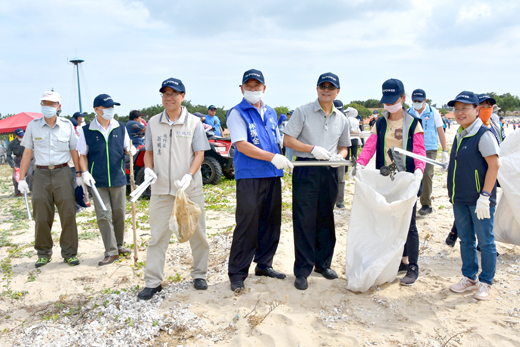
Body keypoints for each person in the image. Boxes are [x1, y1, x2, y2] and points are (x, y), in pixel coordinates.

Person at [137, 78, 211, 300]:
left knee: (197, 234)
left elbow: (200, 153)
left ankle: (200, 274)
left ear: (183, 96)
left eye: (174, 93)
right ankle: (153, 281)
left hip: (189, 189)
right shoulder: (152, 122)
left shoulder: (194, 123)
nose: (169, 97)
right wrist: (149, 169)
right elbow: (148, 150)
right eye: (165, 93)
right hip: (160, 190)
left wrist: (189, 175)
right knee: (157, 237)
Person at [226, 69, 293, 292]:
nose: (253, 89)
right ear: (242, 88)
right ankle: (237, 273)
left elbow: (276, 140)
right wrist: (272, 157)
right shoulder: (238, 112)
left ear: (264, 88)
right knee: (247, 223)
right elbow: (241, 144)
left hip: (272, 175)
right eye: (249, 86)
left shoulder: (272, 112)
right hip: (250, 176)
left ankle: (264, 264)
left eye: (257, 86)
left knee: (271, 222)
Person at [283, 72, 351, 290]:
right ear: (317, 88)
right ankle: (302, 269)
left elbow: (344, 146)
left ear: (337, 91)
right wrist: (312, 149)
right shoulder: (303, 111)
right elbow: (288, 139)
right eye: (323, 86)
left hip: (329, 171)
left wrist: (339, 157)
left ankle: (323, 264)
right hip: (307, 168)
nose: (327, 90)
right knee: (304, 219)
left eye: (331, 87)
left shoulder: (341, 118)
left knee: (325, 217)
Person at [356, 78, 426, 286]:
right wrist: (360, 163)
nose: (388, 105)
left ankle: (412, 265)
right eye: (385, 101)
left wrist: (420, 171)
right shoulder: (381, 122)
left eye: (393, 100)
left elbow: (420, 151)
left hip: (408, 178)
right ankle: (399, 260)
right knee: (389, 220)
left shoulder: (413, 122)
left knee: (409, 222)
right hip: (386, 179)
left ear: (403, 99)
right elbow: (371, 145)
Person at [446, 91, 499, 301]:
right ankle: (469, 277)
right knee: (465, 240)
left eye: (464, 108)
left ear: (477, 110)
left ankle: (486, 282)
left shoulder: (483, 134)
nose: (459, 113)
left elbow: (494, 165)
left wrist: (485, 196)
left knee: (485, 242)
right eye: (456, 109)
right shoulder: (460, 133)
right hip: (460, 198)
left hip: (480, 200)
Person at [18, 91, 80, 268]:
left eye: (51, 104)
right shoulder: (33, 126)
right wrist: (21, 178)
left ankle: (69, 253)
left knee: (68, 214)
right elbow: (27, 152)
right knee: (41, 214)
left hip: (62, 172)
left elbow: (73, 151)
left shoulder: (67, 125)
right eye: (44, 103)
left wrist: (79, 174)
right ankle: (43, 252)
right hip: (41, 174)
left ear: (58, 107)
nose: (47, 106)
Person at [77, 94, 136, 266]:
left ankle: (118, 246)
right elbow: (82, 154)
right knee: (104, 215)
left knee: (119, 214)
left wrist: (130, 150)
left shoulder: (120, 126)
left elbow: (126, 147)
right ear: (97, 109)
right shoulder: (87, 130)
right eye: (107, 107)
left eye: (112, 107)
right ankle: (110, 251)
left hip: (118, 178)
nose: (111, 110)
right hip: (98, 181)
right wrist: (85, 172)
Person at [407, 89, 448, 216]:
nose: (417, 103)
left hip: (429, 148)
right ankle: (411, 201)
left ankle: (426, 204)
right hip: (413, 148)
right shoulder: (408, 112)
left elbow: (440, 131)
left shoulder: (433, 112)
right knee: (412, 174)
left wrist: (445, 151)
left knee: (427, 175)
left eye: (419, 101)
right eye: (414, 101)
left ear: (425, 100)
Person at [332, 99, 349, 209]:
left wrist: (340, 155)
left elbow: (345, 143)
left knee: (340, 179)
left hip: (339, 155)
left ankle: (340, 201)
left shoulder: (344, 120)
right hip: (326, 155)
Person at [7, 128, 33, 196]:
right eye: (20, 136)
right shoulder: (12, 143)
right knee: (15, 176)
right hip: (18, 160)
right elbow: (8, 155)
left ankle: (29, 191)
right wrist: (13, 166)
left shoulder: (28, 141)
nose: (22, 137)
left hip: (28, 160)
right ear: (16, 136)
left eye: (23, 136)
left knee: (30, 174)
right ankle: (17, 193)